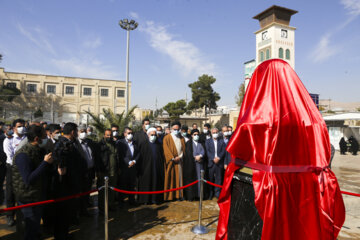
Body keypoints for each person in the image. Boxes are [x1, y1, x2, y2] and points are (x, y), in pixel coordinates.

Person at [12, 125, 53, 240]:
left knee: (35, 228)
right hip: (28, 198)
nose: (47, 139)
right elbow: (28, 179)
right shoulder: (23, 155)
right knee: (29, 229)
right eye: (44, 136)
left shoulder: (40, 150)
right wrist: (45, 163)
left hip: (38, 195)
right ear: (36, 139)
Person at [52, 122, 86, 239]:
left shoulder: (69, 143)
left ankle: (64, 233)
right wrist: (61, 167)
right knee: (62, 212)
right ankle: (61, 235)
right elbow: (60, 160)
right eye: (76, 131)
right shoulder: (63, 144)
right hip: (65, 185)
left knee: (67, 212)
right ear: (72, 132)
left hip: (71, 183)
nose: (77, 133)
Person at [3, 118, 26, 226]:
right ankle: (10, 216)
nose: (22, 128)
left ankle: (22, 216)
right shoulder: (9, 140)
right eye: (19, 126)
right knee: (10, 193)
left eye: (23, 125)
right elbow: (10, 156)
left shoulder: (27, 138)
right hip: (12, 168)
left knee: (22, 192)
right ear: (13, 128)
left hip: (25, 168)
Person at [137, 127, 165, 204]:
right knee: (146, 183)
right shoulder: (143, 144)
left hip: (156, 168)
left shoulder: (159, 144)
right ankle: (145, 200)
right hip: (146, 169)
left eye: (154, 134)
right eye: (152, 134)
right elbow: (140, 157)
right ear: (148, 135)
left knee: (156, 183)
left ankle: (155, 199)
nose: (153, 136)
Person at [76, 124, 97, 215]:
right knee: (80, 192)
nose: (84, 133)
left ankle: (85, 208)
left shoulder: (89, 142)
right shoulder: (75, 144)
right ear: (77, 132)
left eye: (85, 131)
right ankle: (80, 211)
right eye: (81, 131)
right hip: (81, 173)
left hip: (90, 171)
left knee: (87, 191)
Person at [97, 129, 119, 212]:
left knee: (111, 190)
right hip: (104, 171)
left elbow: (117, 157)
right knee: (103, 191)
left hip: (113, 171)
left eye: (110, 135)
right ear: (104, 135)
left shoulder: (114, 144)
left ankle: (110, 205)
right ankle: (102, 208)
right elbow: (98, 159)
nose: (109, 137)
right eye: (107, 135)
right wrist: (98, 171)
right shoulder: (100, 145)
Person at [163, 121, 185, 201]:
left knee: (179, 179)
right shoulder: (167, 137)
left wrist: (180, 157)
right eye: (174, 129)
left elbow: (183, 149)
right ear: (172, 129)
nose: (176, 130)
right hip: (171, 162)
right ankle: (170, 196)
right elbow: (166, 149)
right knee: (171, 179)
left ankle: (178, 195)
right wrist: (172, 158)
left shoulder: (181, 138)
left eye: (178, 129)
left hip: (179, 161)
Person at [118, 127, 139, 205]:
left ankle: (132, 200)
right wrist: (128, 162)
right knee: (122, 185)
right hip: (124, 167)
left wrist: (134, 161)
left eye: (131, 133)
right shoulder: (120, 143)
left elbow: (138, 153)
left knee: (132, 185)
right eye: (128, 133)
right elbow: (121, 155)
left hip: (133, 168)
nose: (130, 134)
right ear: (124, 134)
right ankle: (121, 202)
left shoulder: (135, 142)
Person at [183, 129, 204, 201]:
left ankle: (198, 195)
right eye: (194, 134)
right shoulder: (188, 143)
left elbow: (203, 151)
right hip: (191, 165)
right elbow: (188, 154)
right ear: (191, 135)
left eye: (197, 134)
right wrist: (195, 158)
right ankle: (191, 196)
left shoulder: (201, 143)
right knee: (191, 181)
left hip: (199, 164)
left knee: (199, 179)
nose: (196, 136)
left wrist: (200, 156)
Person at [206, 128, 225, 199]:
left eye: (216, 132)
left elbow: (223, 151)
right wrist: (213, 158)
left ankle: (217, 193)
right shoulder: (208, 141)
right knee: (210, 179)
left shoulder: (221, 141)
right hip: (211, 163)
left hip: (219, 163)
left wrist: (219, 158)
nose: (215, 134)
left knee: (218, 179)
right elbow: (207, 151)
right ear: (211, 133)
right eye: (214, 132)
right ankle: (210, 193)